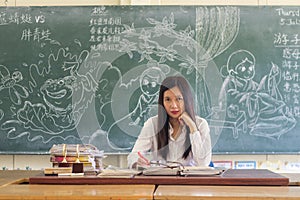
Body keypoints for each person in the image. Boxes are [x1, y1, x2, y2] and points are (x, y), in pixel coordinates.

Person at [127, 75, 212, 168]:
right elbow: (133, 155)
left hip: (189, 180)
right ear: (162, 102)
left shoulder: (201, 124)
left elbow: (203, 163)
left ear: (186, 100)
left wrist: (193, 127)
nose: (174, 105)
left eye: (179, 99)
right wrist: (137, 161)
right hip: (161, 180)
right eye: (168, 99)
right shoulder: (152, 124)